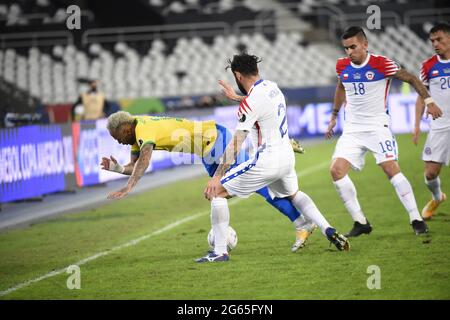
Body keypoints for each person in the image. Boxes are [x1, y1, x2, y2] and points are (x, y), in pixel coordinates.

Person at [197, 52, 349, 262]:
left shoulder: (249, 103)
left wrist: (217, 177)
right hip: (286, 158)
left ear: (238, 75)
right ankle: (328, 230)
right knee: (294, 194)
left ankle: (219, 251)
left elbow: (237, 142)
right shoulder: (272, 87)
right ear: (256, 70)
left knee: (217, 192)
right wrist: (237, 98)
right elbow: (260, 103)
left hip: (265, 160)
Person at [101, 111, 316, 251]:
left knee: (255, 184)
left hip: (215, 140)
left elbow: (144, 161)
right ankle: (221, 247)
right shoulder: (138, 131)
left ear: (125, 129)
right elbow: (135, 166)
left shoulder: (143, 130)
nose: (118, 142)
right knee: (222, 192)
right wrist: (118, 168)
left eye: (116, 137)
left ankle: (300, 224)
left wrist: (128, 188)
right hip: (207, 151)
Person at [326, 26, 443, 237]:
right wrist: (334, 115)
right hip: (352, 130)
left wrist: (429, 101)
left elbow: (412, 79)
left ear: (365, 44)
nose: (349, 52)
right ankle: (361, 222)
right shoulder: (342, 65)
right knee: (336, 171)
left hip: (377, 127)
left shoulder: (382, 64)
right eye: (346, 48)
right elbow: (341, 87)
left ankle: (416, 219)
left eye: (353, 47)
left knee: (390, 168)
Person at [413, 22, 449, 220]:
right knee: (430, 174)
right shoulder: (428, 66)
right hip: (440, 126)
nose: (435, 44)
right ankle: (437, 197)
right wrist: (417, 125)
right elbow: (421, 95)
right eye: (432, 41)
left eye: (439, 39)